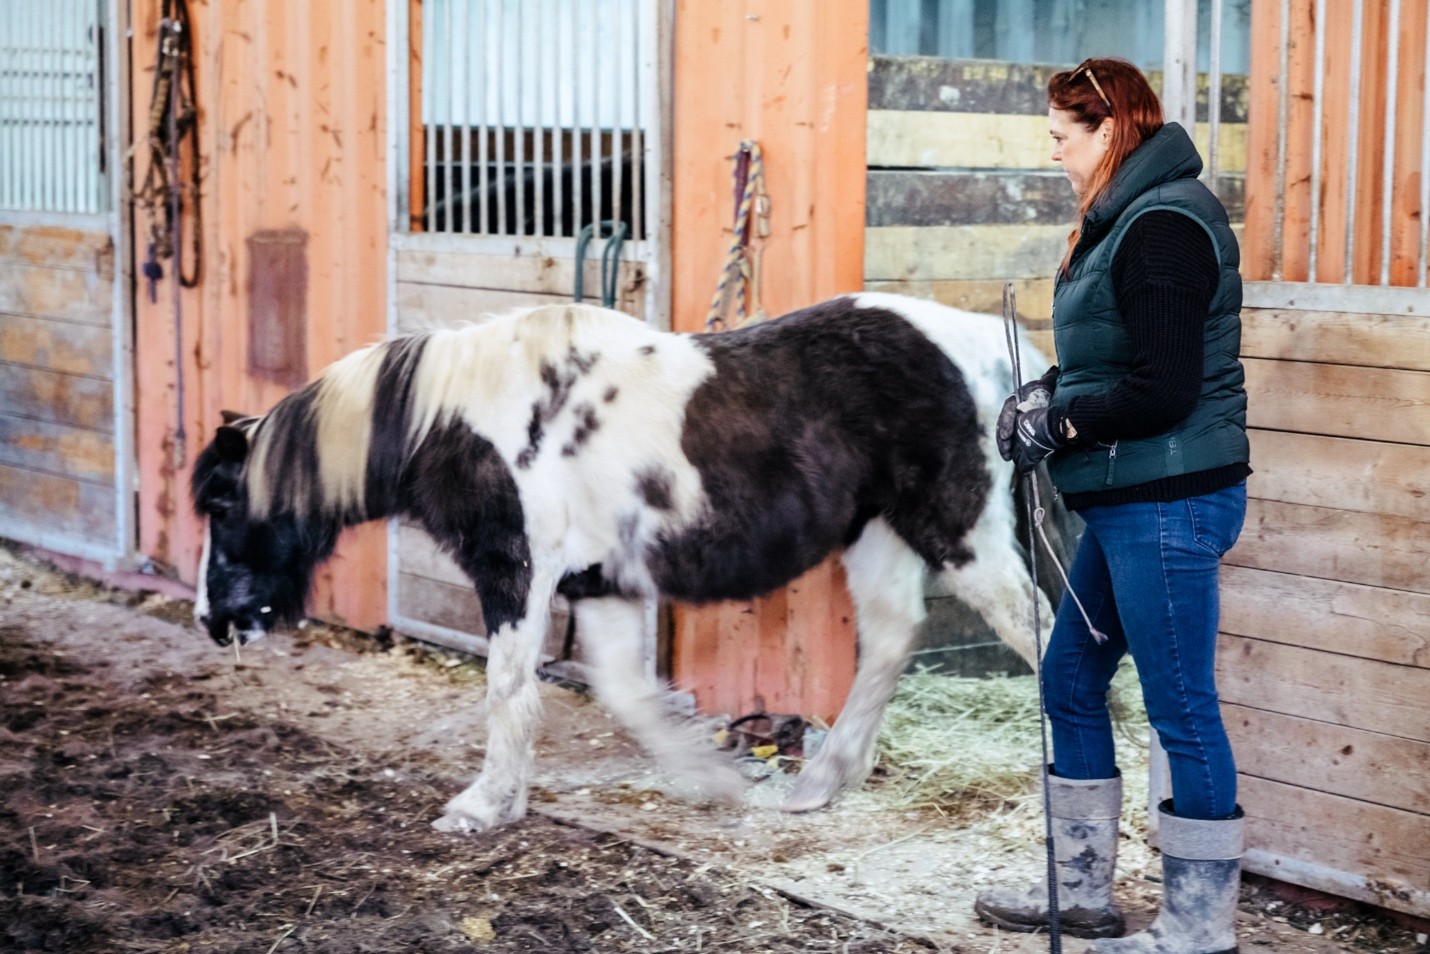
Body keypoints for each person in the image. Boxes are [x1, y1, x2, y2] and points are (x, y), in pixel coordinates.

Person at [976, 58, 1251, 953]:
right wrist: (1048, 394)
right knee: (1069, 681)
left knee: (1181, 711)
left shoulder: (1162, 225)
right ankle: (1083, 893)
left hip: (1169, 501)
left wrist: (1061, 420)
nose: (1052, 152)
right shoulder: (1121, 221)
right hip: (1131, 497)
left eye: (1062, 135)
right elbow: (1115, 361)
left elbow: (1165, 388)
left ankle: (1197, 933)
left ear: (1109, 132)